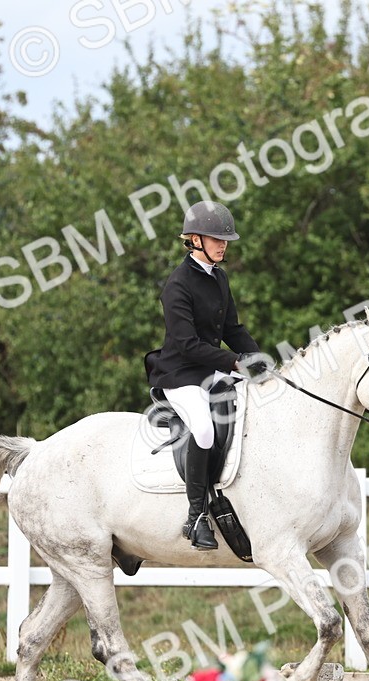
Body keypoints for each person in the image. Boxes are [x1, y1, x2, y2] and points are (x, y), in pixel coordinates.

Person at [146, 200, 267, 551]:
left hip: (212, 369)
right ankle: (196, 516)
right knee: (202, 429)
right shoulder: (177, 286)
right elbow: (186, 345)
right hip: (180, 373)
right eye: (216, 238)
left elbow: (232, 328)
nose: (223, 244)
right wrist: (234, 363)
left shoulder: (219, 277)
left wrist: (260, 359)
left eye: (226, 239)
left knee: (256, 403)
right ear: (195, 240)